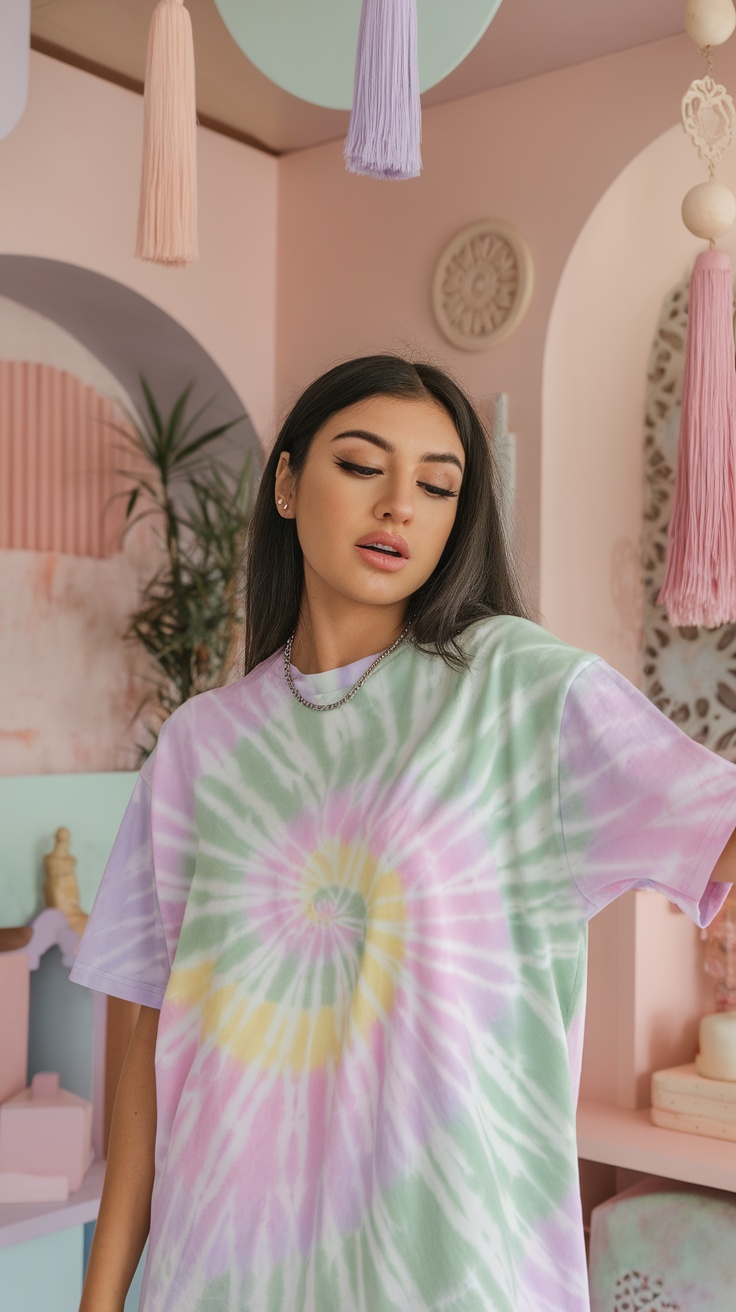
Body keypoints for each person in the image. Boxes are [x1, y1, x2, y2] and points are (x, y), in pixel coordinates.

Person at [72, 355, 736, 1312]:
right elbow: (148, 1051)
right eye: (361, 466)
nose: (399, 506)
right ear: (290, 483)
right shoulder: (198, 746)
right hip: (220, 1269)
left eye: (436, 485)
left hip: (450, 1270)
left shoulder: (521, 689)